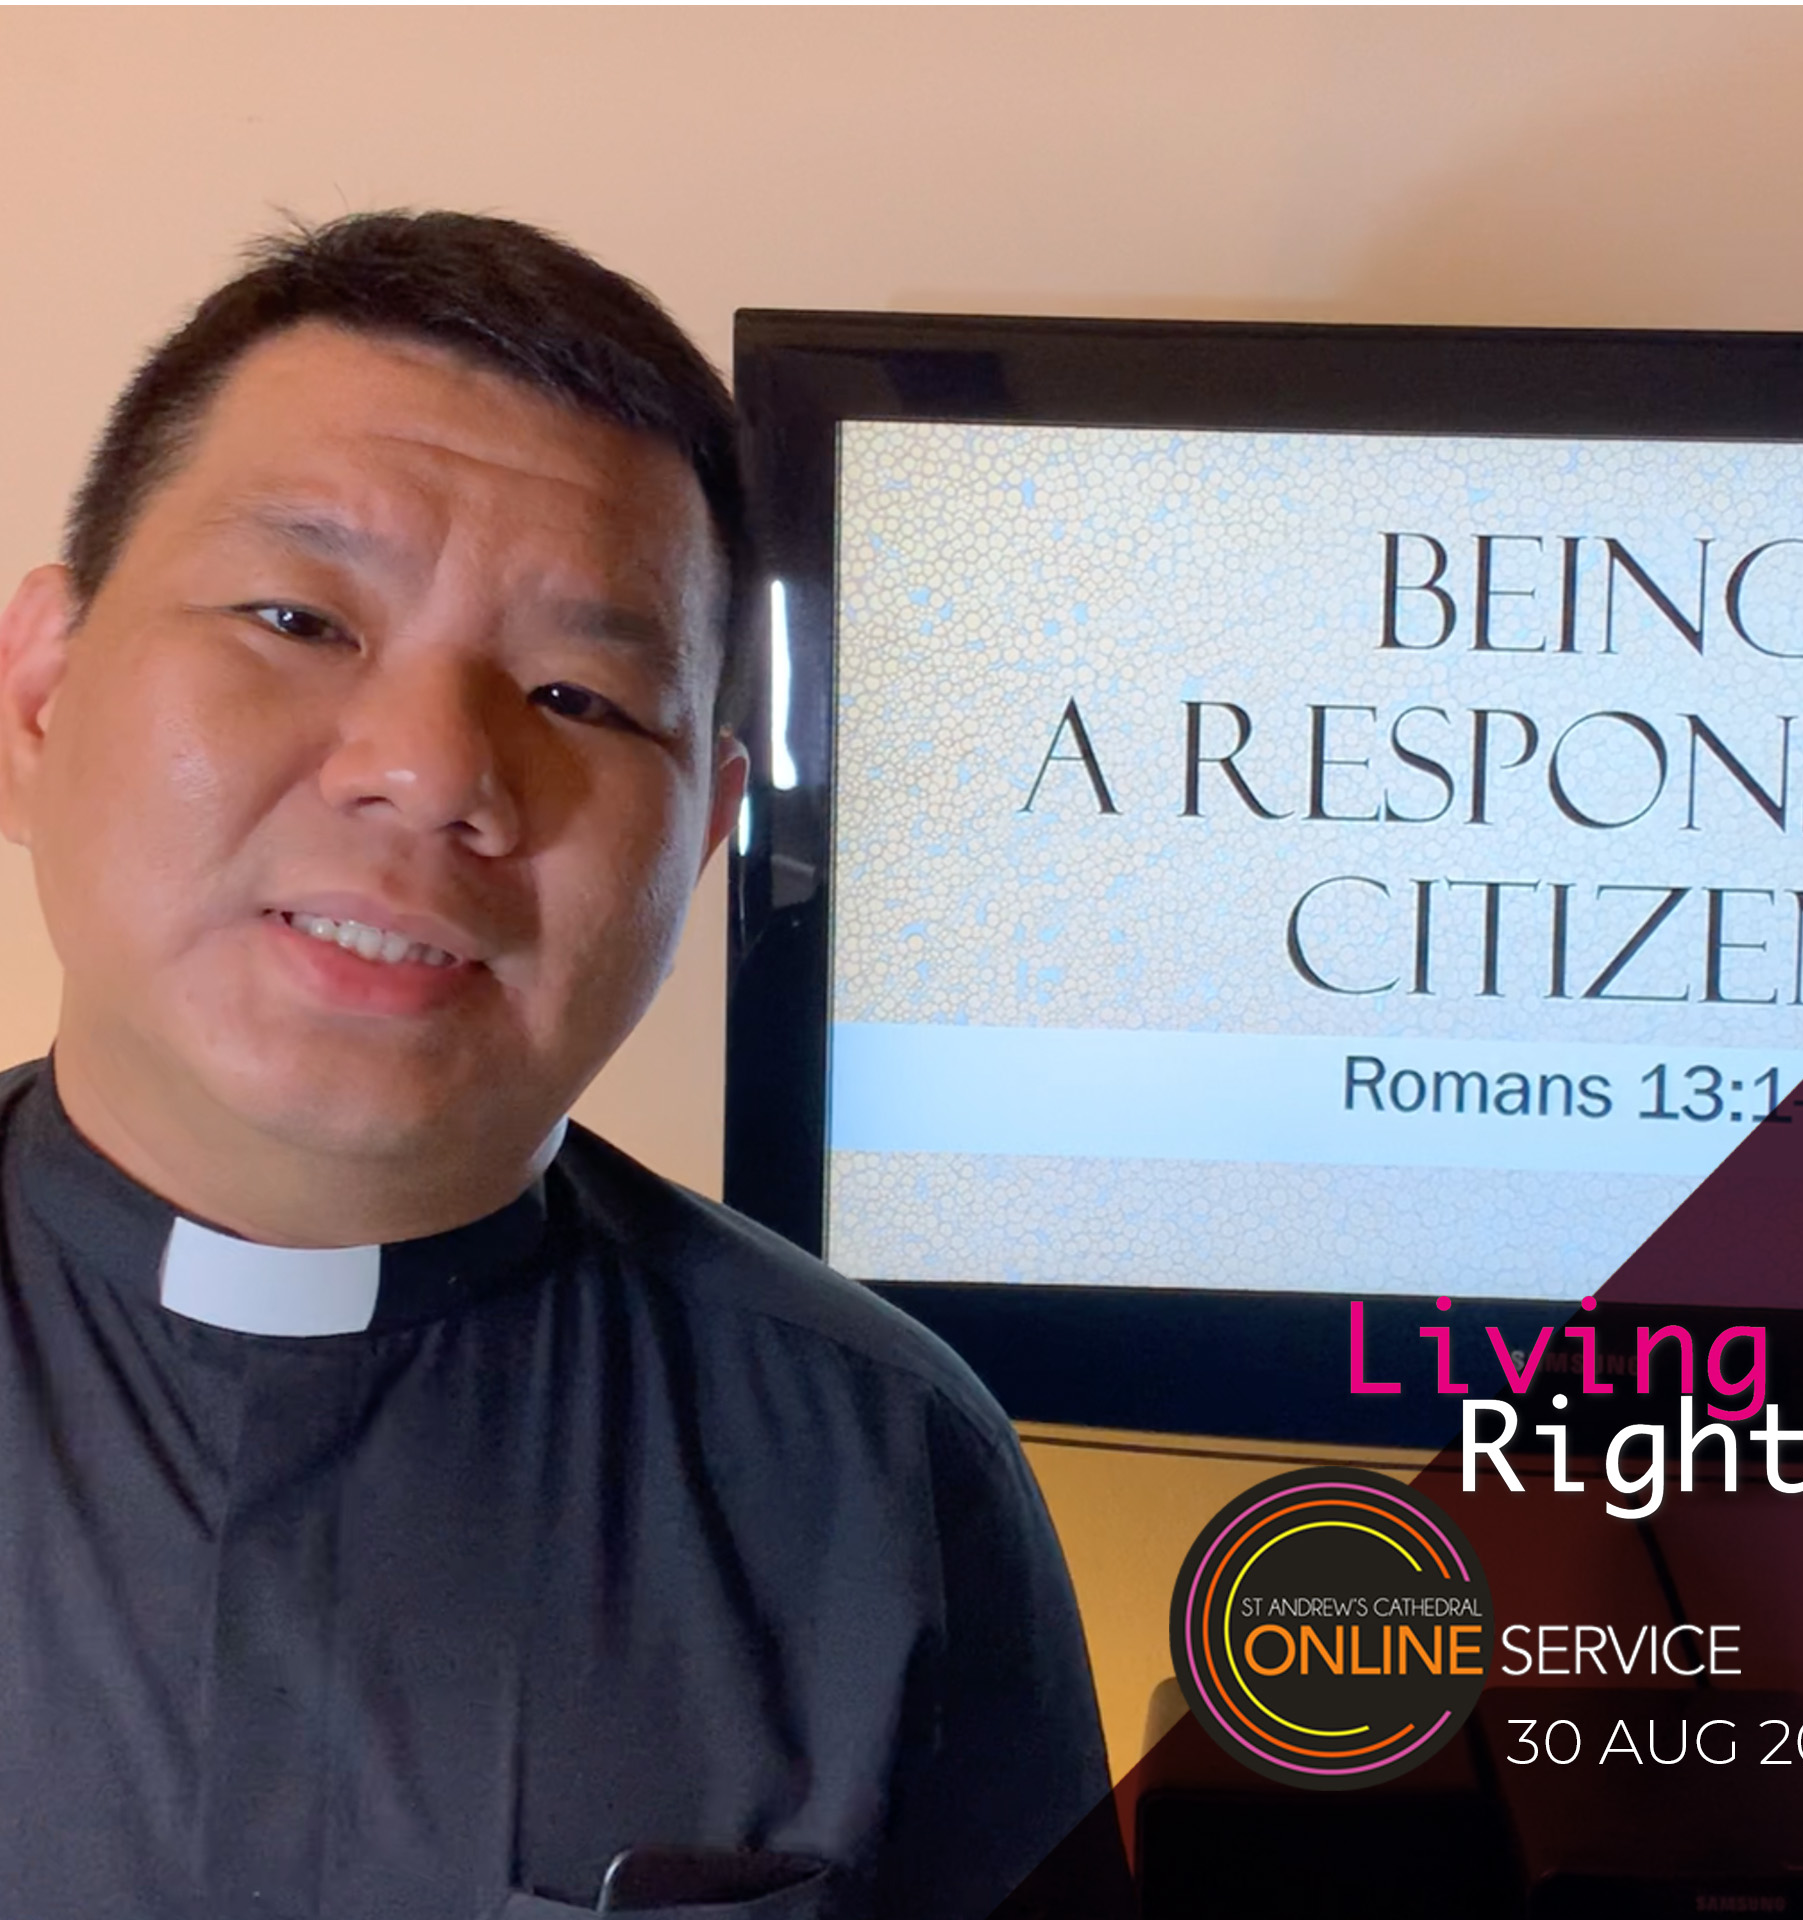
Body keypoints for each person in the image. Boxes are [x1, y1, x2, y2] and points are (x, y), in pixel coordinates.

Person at [0, 212, 1119, 1920]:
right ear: (40, 697)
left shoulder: (885, 1478)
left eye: (580, 699)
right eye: (299, 616)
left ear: (707, 835)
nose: (434, 770)